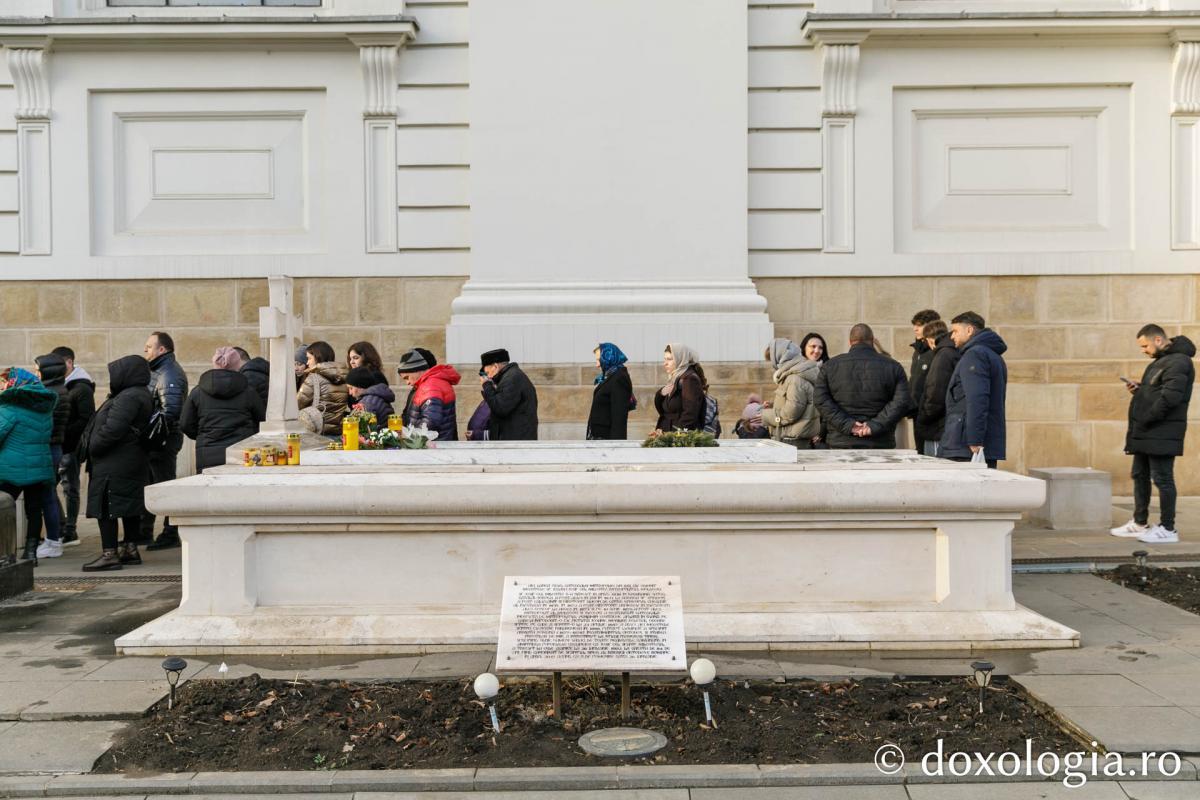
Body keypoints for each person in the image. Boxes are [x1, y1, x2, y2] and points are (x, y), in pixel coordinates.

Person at [1111, 325, 1196, 545]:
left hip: (1161, 430)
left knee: (1163, 479)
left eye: (1145, 345)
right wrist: (1140, 390)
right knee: (1140, 475)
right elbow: (1158, 391)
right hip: (1148, 431)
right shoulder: (1161, 362)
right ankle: (1140, 523)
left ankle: (1168, 528)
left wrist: (1146, 417)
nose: (1143, 350)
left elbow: (1170, 399)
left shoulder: (1179, 361)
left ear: (1158, 339)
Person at [81, 355, 154, 571]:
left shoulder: (129, 397)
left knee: (106, 506)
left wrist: (93, 446)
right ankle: (130, 549)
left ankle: (109, 553)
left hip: (114, 461)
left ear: (127, 374)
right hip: (128, 460)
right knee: (128, 506)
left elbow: (113, 429)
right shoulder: (137, 394)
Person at [813, 324, 913, 449]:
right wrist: (874, 425)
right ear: (872, 341)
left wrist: (849, 425)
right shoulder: (893, 367)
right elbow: (901, 401)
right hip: (880, 442)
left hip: (841, 442)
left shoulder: (829, 366)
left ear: (850, 342)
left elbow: (820, 400)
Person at [0, 368, 55, 566]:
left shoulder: (9, 409)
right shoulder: (44, 409)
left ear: (16, 383)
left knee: (3, 508)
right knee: (34, 511)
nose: (3, 385)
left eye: (6, 381)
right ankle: (31, 553)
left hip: (11, 469)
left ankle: (6, 552)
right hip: (39, 467)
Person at [180, 348, 266, 473]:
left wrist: (203, 435)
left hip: (207, 453)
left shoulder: (198, 392)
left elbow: (185, 424)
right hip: (241, 452)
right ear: (238, 365)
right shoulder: (249, 392)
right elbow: (261, 420)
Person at [939, 311, 1008, 468]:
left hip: (966, 446)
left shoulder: (975, 355)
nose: (951, 337)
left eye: (955, 331)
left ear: (969, 330)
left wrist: (975, 440)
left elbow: (977, 398)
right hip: (972, 443)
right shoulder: (990, 355)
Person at [141, 331, 188, 551]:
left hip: (163, 440)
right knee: (150, 483)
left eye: (149, 347)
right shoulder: (158, 370)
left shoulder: (169, 373)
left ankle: (170, 532)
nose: (145, 351)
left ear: (162, 349)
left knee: (165, 483)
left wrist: (153, 437)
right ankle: (145, 531)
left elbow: (170, 412)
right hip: (156, 440)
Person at [52, 346, 94, 548]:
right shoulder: (61, 385)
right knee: (50, 488)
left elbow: (86, 419)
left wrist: (63, 431)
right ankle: (61, 527)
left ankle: (70, 529)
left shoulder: (82, 388)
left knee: (70, 488)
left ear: (69, 362)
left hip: (70, 446)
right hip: (59, 444)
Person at [32, 354, 68, 559]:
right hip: (53, 447)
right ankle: (52, 540)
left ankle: (53, 541)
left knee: (47, 497)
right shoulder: (55, 390)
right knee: (48, 496)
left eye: (38, 370)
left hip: (49, 448)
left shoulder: (51, 393)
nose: (36, 374)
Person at [761, 338, 822, 448]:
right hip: (793, 439)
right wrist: (773, 406)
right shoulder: (796, 373)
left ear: (780, 358)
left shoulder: (795, 378)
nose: (773, 365)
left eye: (772, 360)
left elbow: (790, 414)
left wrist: (765, 416)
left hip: (792, 442)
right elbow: (796, 404)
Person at [913, 319, 961, 457]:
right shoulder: (953, 351)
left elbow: (935, 392)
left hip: (937, 426)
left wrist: (923, 417)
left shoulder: (943, 355)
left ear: (930, 340)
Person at [398, 348, 460, 440]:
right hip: (438, 444)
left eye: (407, 377)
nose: (407, 382)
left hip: (434, 446)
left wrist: (408, 436)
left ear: (417, 370)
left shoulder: (431, 386)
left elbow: (430, 423)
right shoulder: (429, 383)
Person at [480, 348, 538, 440]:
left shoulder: (512, 379)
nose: (488, 376)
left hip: (515, 444)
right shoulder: (510, 377)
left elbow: (500, 408)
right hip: (513, 441)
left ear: (495, 366)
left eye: (487, 373)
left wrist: (487, 385)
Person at [297, 341, 350, 436]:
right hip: (340, 433)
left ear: (318, 357)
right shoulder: (344, 378)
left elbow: (297, 405)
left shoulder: (312, 379)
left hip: (318, 432)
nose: (307, 363)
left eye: (309, 358)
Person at [654, 343, 705, 433]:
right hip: (669, 434)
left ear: (680, 359)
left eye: (669, 359)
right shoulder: (675, 377)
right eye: (665, 359)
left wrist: (677, 435)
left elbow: (690, 414)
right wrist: (661, 394)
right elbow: (665, 410)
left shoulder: (689, 378)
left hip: (679, 438)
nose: (665, 363)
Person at [587, 343, 634, 440]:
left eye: (599, 360)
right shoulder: (608, 377)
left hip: (607, 440)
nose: (597, 365)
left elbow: (619, 416)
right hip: (600, 437)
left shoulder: (619, 378)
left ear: (609, 357)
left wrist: (616, 446)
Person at [908, 310, 941, 411]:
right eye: (914, 325)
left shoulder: (938, 351)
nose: (915, 329)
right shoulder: (917, 351)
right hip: (915, 409)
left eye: (919, 325)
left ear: (931, 326)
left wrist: (928, 408)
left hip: (930, 411)